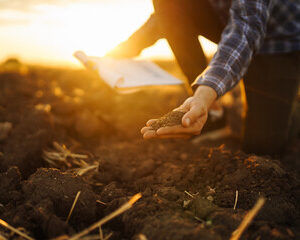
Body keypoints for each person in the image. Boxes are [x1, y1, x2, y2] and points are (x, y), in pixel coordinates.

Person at [107, 0, 300, 156]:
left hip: (277, 44)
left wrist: (206, 91)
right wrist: (119, 52)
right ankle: (214, 113)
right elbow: (167, 14)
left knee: (263, 148)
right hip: (230, 25)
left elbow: (246, 27)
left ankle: (291, 105)